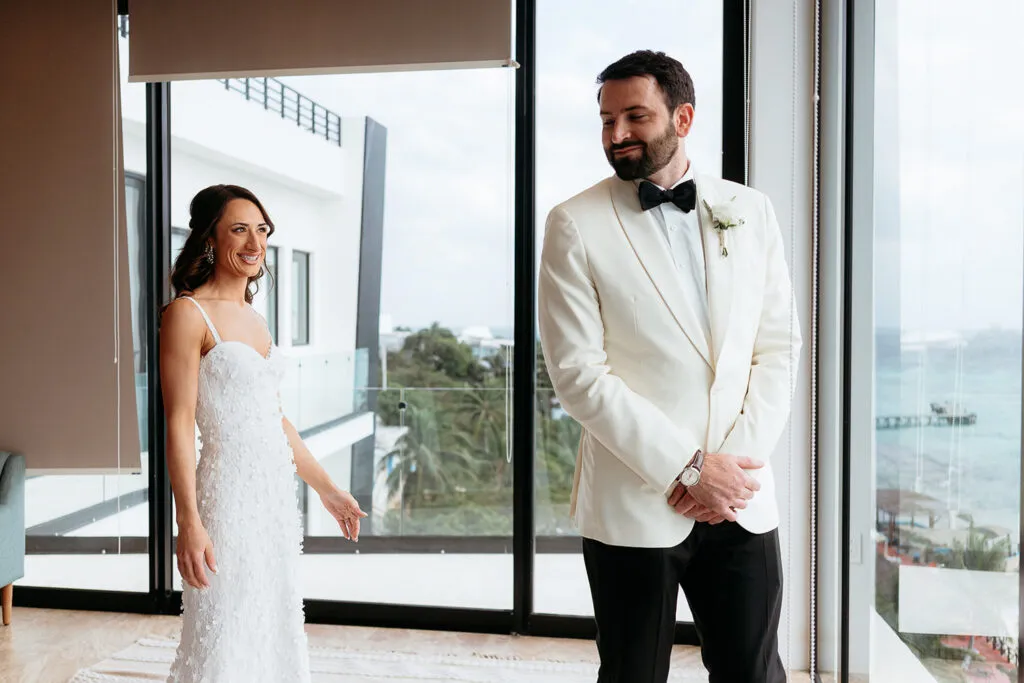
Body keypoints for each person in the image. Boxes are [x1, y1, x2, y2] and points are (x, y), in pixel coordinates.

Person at [537, 51, 801, 682]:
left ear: (683, 118)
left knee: (754, 674)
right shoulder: (573, 223)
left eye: (635, 116)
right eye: (607, 121)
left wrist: (727, 472)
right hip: (634, 499)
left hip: (739, 499)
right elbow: (578, 376)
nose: (617, 133)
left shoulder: (751, 210)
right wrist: (688, 468)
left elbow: (777, 347)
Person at [160, 184, 366, 682]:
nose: (255, 243)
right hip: (226, 497)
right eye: (239, 229)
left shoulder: (255, 319)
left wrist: (329, 491)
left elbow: (274, 421)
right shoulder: (187, 314)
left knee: (271, 623)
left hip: (273, 500)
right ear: (210, 238)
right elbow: (178, 422)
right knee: (224, 628)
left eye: (262, 230)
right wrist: (188, 521)